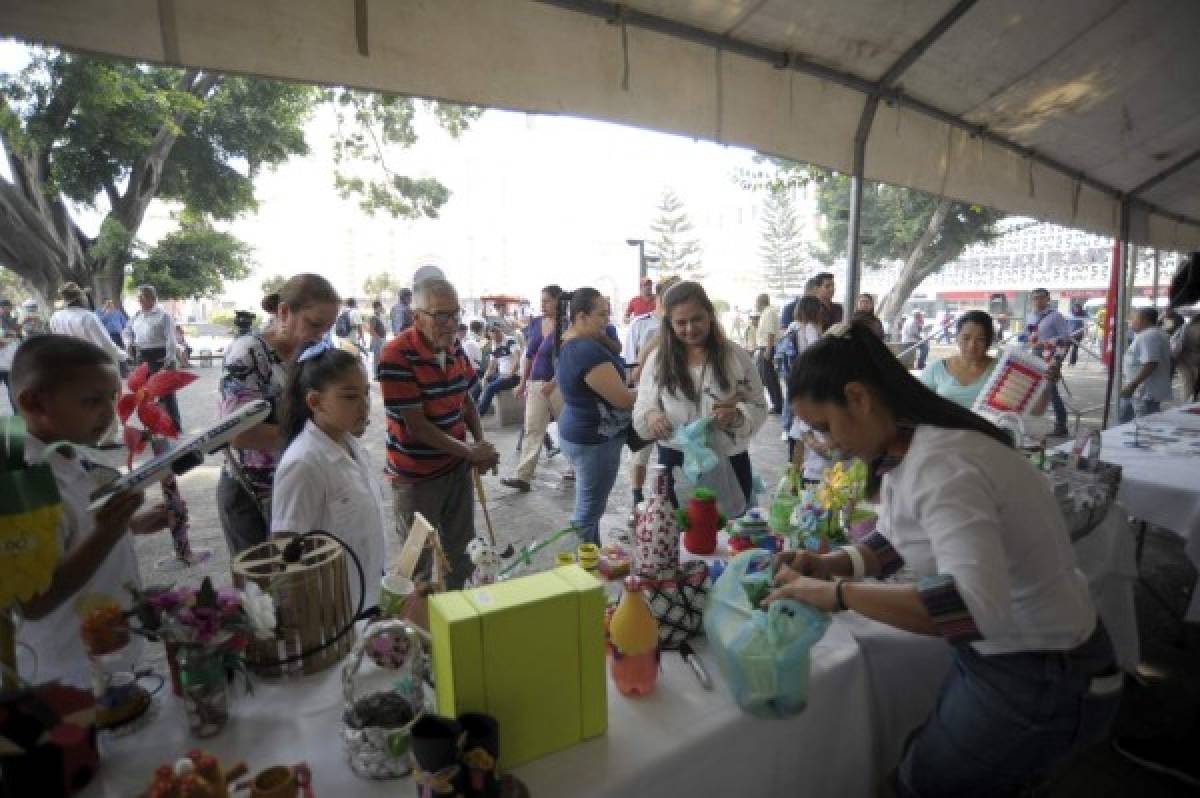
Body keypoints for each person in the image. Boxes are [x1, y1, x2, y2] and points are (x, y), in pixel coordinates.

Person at [768, 321, 1120, 797]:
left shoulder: (942, 463)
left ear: (858, 397)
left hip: (1042, 670)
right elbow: (897, 541)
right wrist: (830, 565)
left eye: (825, 426)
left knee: (920, 785)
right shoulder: (908, 446)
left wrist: (836, 594)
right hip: (1015, 660)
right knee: (920, 766)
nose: (827, 444)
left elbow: (974, 608)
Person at [12, 335, 168, 687]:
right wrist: (106, 533)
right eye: (91, 400)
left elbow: (71, 532)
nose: (108, 412)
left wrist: (132, 525)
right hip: (65, 675)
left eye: (112, 397)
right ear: (35, 402)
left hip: (108, 653)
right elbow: (33, 600)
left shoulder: (71, 454)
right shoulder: (21, 482)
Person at [378, 278, 498, 588]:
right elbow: (416, 426)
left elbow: (467, 398)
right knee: (418, 567)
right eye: (440, 316)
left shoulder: (453, 345)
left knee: (464, 554)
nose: (451, 324)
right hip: (416, 477)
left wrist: (479, 443)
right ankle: (423, 633)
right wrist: (471, 452)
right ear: (416, 316)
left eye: (455, 314)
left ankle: (461, 620)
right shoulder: (395, 356)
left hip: (455, 468)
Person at [218, 274, 341, 556]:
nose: (321, 334)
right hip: (252, 493)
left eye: (328, 327)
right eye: (314, 324)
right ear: (284, 312)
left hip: (298, 485)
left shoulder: (313, 354)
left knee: (299, 582)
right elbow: (239, 434)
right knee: (260, 591)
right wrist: (316, 434)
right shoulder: (248, 353)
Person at [634, 281, 767, 509]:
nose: (690, 329)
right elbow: (643, 405)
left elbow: (759, 405)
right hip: (675, 460)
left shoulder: (736, 357)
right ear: (669, 323)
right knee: (675, 533)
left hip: (729, 460)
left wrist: (737, 417)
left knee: (731, 534)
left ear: (710, 315)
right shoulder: (658, 360)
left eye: (697, 319)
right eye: (681, 323)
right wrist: (651, 415)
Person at [272, 345, 385, 611]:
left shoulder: (349, 445)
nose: (364, 406)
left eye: (366, 393)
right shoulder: (303, 463)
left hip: (365, 596)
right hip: (332, 611)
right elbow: (286, 552)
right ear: (315, 402)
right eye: (350, 397)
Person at [556, 287, 635, 544]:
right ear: (582, 316)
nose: (606, 320)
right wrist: (648, 393)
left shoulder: (570, 341)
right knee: (588, 513)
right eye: (601, 314)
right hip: (594, 441)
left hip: (578, 431)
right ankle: (582, 568)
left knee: (589, 509)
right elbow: (622, 399)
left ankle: (590, 556)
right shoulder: (585, 351)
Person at [501, 285, 565, 493]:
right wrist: (522, 383)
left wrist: (554, 382)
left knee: (568, 428)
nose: (543, 305)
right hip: (536, 383)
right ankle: (523, 476)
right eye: (542, 300)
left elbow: (569, 358)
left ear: (558, 301)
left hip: (559, 384)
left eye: (547, 300)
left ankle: (578, 468)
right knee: (533, 429)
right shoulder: (536, 322)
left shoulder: (567, 324)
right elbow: (529, 354)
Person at [624, 276, 679, 510]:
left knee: (674, 456)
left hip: (676, 402)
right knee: (640, 456)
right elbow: (632, 371)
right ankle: (637, 499)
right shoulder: (641, 324)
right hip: (646, 401)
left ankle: (668, 503)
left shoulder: (683, 327)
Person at [125, 284, 182, 432]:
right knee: (145, 394)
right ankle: (152, 426)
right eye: (138, 297)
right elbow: (126, 331)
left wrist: (169, 359)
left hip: (160, 355)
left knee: (166, 393)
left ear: (151, 298)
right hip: (143, 356)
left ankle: (174, 426)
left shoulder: (164, 315)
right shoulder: (137, 315)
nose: (139, 299)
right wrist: (129, 343)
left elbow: (171, 338)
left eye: (142, 296)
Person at [785, 295, 832, 463]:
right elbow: (816, 352)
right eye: (819, 307)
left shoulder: (797, 327)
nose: (821, 310)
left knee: (798, 430)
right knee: (803, 427)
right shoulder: (811, 328)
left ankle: (794, 472)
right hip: (810, 379)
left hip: (799, 378)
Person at [1026, 287, 1072, 436]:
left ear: (1047, 299)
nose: (1038, 300)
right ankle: (1024, 422)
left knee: (1051, 389)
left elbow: (1065, 338)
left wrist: (1049, 347)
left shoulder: (1055, 316)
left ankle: (1061, 424)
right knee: (1032, 387)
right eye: (1035, 297)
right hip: (1035, 353)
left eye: (1041, 297)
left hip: (1050, 355)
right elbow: (1029, 334)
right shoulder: (1030, 316)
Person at [49, 282, 128, 368]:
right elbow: (105, 344)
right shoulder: (88, 317)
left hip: (68, 365)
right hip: (90, 365)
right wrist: (124, 355)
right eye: (84, 296)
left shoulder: (55, 317)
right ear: (80, 298)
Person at [1119, 307, 1173, 423]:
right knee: (1124, 419)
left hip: (1144, 392)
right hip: (1139, 391)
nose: (1130, 322)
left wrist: (1132, 385)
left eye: (1133, 318)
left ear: (1143, 319)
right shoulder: (1151, 334)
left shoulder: (1148, 336)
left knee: (1143, 424)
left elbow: (1151, 363)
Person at [476, 328, 521, 416]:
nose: (495, 337)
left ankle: (479, 414)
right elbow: (492, 365)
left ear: (500, 332)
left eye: (497, 334)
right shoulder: (494, 344)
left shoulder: (510, 341)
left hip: (514, 376)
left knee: (490, 388)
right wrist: (485, 378)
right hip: (501, 375)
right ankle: (469, 411)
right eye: (492, 335)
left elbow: (517, 359)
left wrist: (510, 374)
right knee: (479, 383)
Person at [755, 293, 783, 415]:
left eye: (756, 303)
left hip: (767, 348)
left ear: (760, 302)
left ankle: (778, 405)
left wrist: (768, 350)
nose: (755, 306)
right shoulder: (766, 313)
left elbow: (770, 333)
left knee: (769, 378)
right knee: (767, 377)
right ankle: (777, 403)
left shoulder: (769, 313)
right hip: (765, 348)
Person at [0, 299, 21, 410]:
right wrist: (10, 337)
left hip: (8, 360)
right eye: (8, 307)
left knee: (11, 387)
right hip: (4, 359)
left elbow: (16, 333)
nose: (10, 309)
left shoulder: (9, 318)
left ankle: (17, 412)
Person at [368, 300, 388, 373]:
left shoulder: (380, 316)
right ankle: (376, 373)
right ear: (377, 307)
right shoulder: (373, 317)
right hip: (377, 340)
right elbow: (371, 330)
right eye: (380, 306)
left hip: (382, 339)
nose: (382, 308)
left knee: (382, 356)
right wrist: (378, 338)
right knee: (377, 357)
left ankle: (380, 372)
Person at [1067, 301, 1086, 366]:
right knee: (1066, 347)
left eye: (1078, 308)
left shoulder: (1083, 313)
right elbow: (1066, 322)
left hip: (1078, 333)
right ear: (1073, 308)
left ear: (1080, 308)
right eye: (1075, 308)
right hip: (1070, 334)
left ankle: (1072, 362)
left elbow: (1089, 318)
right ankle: (1060, 361)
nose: (1077, 309)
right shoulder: (1070, 314)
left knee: (1075, 348)